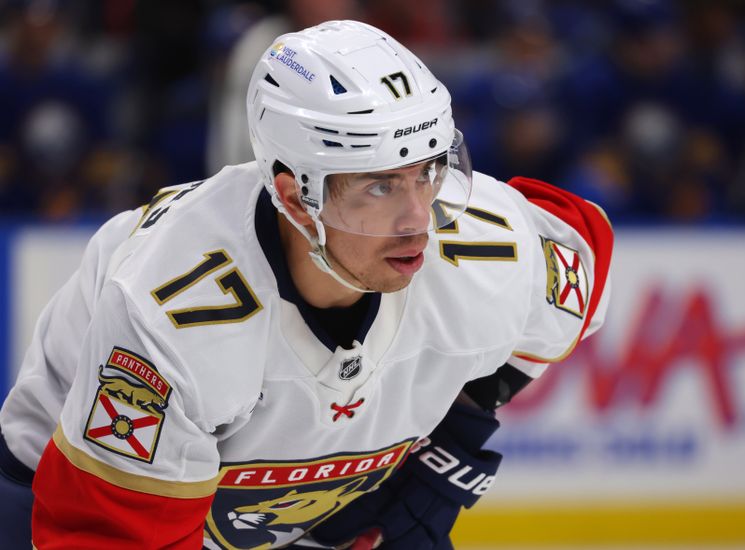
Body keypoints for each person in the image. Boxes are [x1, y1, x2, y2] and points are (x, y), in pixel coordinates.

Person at [0, 20, 613, 549]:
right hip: (66, 496)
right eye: (377, 186)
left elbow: (585, 249)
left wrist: (454, 441)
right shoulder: (173, 314)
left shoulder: (484, 246)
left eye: (427, 172)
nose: (417, 220)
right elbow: (108, 534)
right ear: (295, 196)